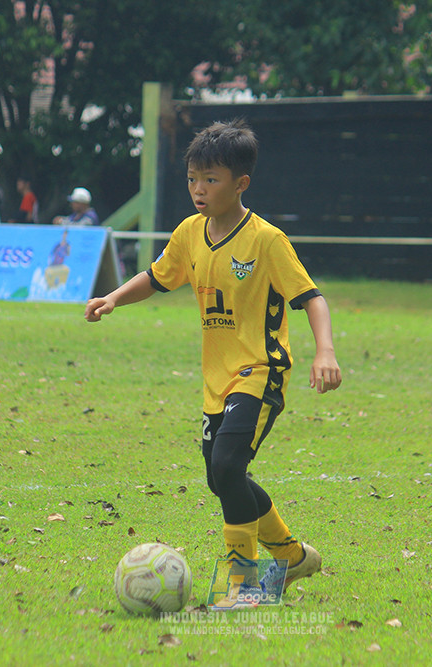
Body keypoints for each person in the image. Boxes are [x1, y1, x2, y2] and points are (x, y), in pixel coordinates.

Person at [85, 119, 342, 592]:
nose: (198, 189)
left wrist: (324, 350)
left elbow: (311, 297)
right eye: (192, 179)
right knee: (221, 478)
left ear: (240, 183)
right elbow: (159, 276)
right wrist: (115, 297)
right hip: (216, 380)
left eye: (211, 179)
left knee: (227, 468)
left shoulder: (266, 240)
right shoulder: (189, 232)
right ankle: (292, 556)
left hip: (261, 372)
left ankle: (242, 585)